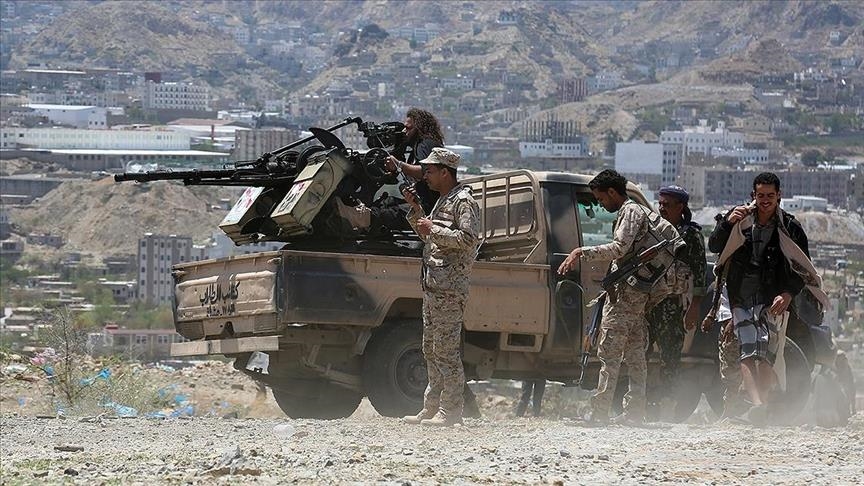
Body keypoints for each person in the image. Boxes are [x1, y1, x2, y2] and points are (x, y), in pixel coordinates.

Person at [707, 172, 826, 424]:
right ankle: (758, 406)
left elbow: (802, 268)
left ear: (778, 196)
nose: (765, 201)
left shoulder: (789, 227)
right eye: (760, 195)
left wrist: (787, 293)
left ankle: (764, 405)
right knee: (747, 352)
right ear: (753, 195)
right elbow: (715, 246)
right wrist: (727, 223)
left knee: (766, 354)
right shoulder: (739, 219)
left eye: (770, 195)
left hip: (771, 301)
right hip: (739, 298)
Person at [558, 169, 674, 425]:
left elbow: (619, 248)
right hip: (634, 294)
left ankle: (599, 412)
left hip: (626, 296)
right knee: (635, 353)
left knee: (609, 352)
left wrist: (581, 252)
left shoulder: (631, 211)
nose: (601, 204)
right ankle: (634, 412)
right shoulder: (635, 212)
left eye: (601, 198)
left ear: (612, 192)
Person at [400, 147, 481, 427]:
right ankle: (431, 407)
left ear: (445, 172)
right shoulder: (443, 200)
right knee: (430, 350)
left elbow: (468, 239)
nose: (425, 176)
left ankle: (451, 411)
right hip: (434, 286)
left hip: (449, 290)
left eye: (430, 171)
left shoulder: (464, 201)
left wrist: (432, 228)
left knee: (446, 351)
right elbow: (430, 238)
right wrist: (416, 211)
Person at [645, 186, 707, 408]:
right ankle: (641, 403)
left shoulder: (691, 235)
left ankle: (667, 403)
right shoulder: (652, 231)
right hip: (648, 304)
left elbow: (700, 273)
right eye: (660, 204)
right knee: (640, 353)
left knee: (670, 357)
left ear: (681, 207)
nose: (662, 209)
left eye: (667, 205)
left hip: (672, 306)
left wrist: (694, 308)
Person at [336, 108, 444, 232]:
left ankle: (352, 217)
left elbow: (426, 171)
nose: (404, 131)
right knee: (386, 203)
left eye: (409, 128)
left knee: (386, 214)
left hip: (428, 209)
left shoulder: (425, 144)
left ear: (420, 129)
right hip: (421, 203)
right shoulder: (419, 146)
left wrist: (399, 165)